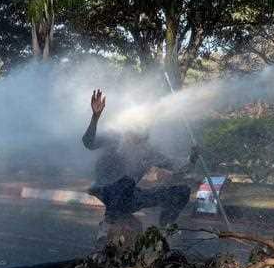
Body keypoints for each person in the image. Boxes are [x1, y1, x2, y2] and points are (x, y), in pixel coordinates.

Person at [82, 89, 195, 226]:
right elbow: (89, 142)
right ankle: (110, 223)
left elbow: (179, 166)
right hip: (106, 190)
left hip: (131, 197)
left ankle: (165, 228)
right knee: (125, 183)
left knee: (181, 192)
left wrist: (193, 157)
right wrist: (95, 117)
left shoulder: (148, 152)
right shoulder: (114, 139)